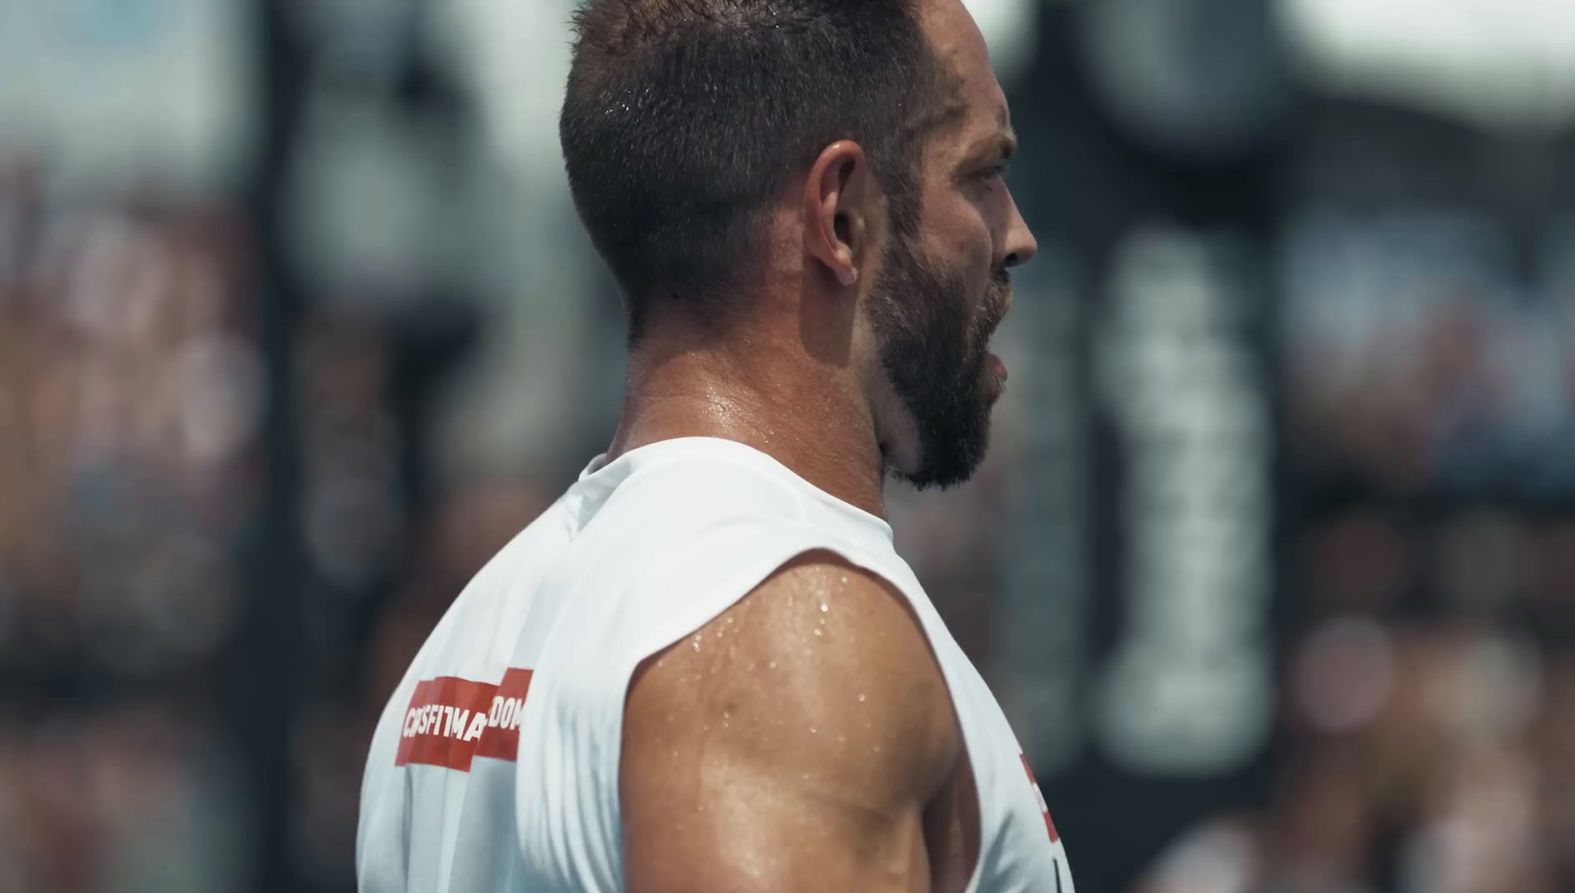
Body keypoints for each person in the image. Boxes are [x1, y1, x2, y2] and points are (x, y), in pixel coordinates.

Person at [356, 0, 1070, 890]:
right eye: (981, 174)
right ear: (841, 217)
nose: (1017, 235)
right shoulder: (788, 631)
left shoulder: (461, 651)